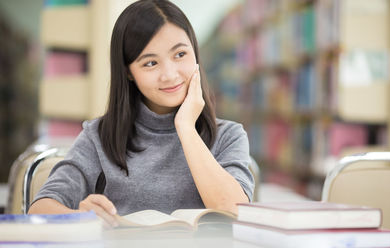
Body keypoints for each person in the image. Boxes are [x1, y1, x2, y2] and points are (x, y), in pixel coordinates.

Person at [29, 0, 254, 227]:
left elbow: (235, 213)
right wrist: (81, 215)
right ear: (128, 73)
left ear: (195, 53)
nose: (169, 74)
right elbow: (39, 210)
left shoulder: (229, 135)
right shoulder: (100, 136)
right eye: (150, 63)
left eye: (180, 54)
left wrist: (186, 128)